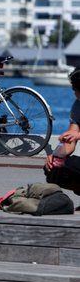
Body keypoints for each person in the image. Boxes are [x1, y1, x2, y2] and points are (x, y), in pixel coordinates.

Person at [44, 67, 80, 199]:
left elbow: (77, 135)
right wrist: (56, 156)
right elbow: (71, 138)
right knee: (54, 169)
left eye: (75, 89)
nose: (74, 93)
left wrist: (78, 135)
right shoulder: (77, 106)